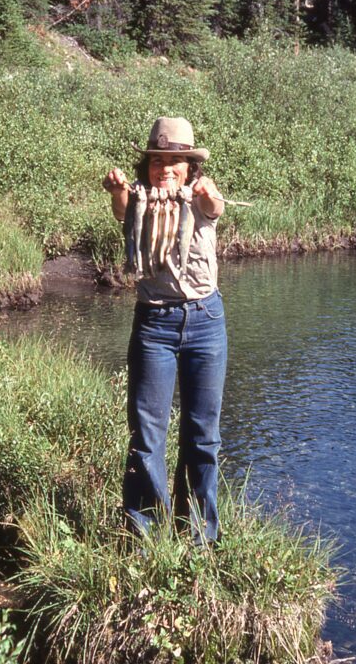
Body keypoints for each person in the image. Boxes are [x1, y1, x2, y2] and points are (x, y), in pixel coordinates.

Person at [105, 116, 227, 543]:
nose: (166, 169)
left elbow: (215, 208)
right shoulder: (140, 196)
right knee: (146, 435)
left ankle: (198, 538)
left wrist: (210, 197)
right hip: (154, 323)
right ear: (148, 166)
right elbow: (124, 211)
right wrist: (120, 190)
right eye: (158, 161)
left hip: (206, 322)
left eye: (175, 161)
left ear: (190, 165)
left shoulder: (201, 194)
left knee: (202, 437)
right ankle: (142, 539)